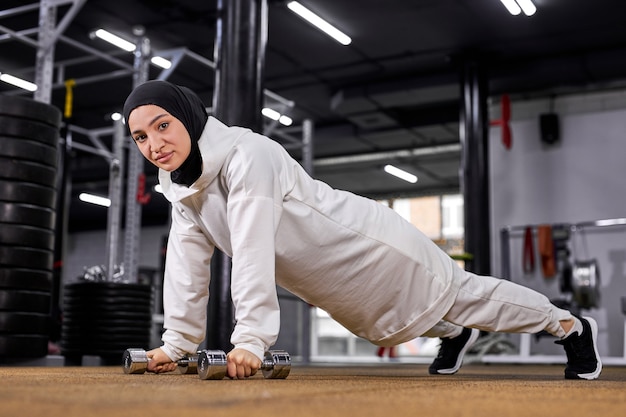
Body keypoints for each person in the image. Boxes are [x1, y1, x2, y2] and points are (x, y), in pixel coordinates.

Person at [122, 80, 602, 380]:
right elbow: (185, 265)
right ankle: (454, 334)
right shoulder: (182, 186)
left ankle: (569, 326)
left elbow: (251, 249)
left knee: (463, 294)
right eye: (141, 137)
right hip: (328, 274)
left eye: (163, 126)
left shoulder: (250, 156)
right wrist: (177, 344)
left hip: (371, 245)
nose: (154, 144)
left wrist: (250, 341)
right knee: (386, 322)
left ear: (188, 116)